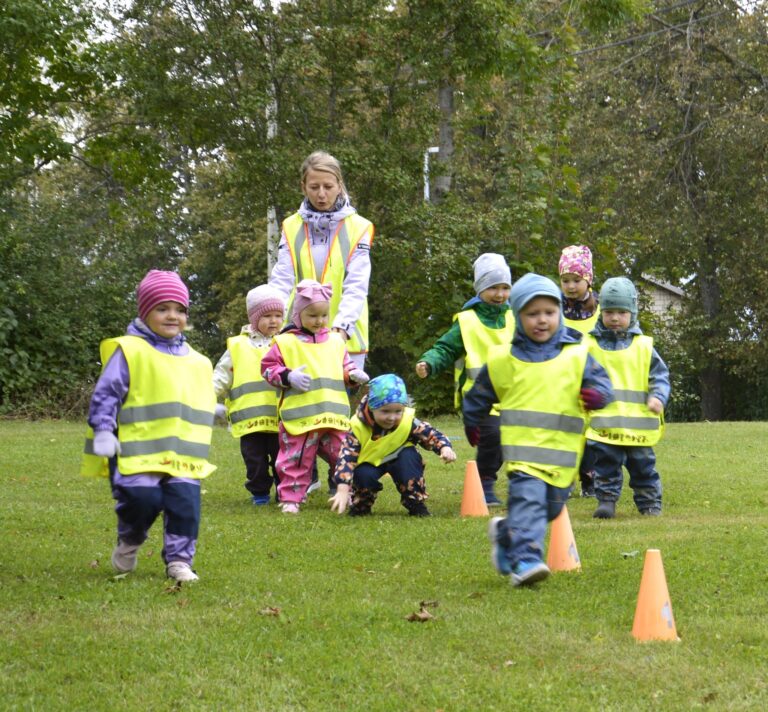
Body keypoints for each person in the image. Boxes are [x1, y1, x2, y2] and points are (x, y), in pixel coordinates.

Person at [463, 273, 614, 588]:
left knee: (550, 508)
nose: (542, 320)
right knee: (529, 503)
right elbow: (479, 394)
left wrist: (596, 395)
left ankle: (507, 534)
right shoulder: (504, 359)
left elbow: (603, 385)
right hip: (522, 455)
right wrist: (472, 421)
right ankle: (526, 561)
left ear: (559, 311)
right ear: (518, 317)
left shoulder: (577, 352)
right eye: (532, 314)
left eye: (549, 312)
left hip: (562, 459)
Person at [81, 270, 216, 583]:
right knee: (143, 500)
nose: (173, 316)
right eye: (162, 308)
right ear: (145, 311)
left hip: (181, 451)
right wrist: (102, 429)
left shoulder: (196, 359)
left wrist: (210, 407)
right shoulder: (129, 350)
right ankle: (130, 538)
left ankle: (179, 561)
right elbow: (107, 392)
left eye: (180, 310)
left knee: (185, 505)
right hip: (135, 449)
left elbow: (189, 395)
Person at [269, 150, 374, 496]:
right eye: (314, 186)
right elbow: (282, 277)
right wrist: (269, 314)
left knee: (339, 409)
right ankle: (303, 472)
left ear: (339, 184)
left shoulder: (359, 227)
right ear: (304, 185)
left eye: (328, 186)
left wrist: (341, 328)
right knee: (300, 401)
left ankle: (343, 477)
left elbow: (358, 284)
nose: (321, 193)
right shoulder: (290, 225)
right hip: (298, 334)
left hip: (345, 332)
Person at [261, 279, 369, 514]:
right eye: (312, 315)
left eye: (323, 315)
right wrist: (288, 377)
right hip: (300, 418)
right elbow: (268, 370)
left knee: (344, 455)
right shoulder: (284, 342)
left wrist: (352, 374)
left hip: (333, 417)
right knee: (295, 459)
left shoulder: (336, 342)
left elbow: (344, 366)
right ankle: (291, 498)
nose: (319, 321)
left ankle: (347, 493)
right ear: (298, 315)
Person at [415, 253, 514, 507]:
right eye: (493, 287)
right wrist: (430, 362)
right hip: (478, 397)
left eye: (505, 287)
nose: (500, 294)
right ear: (480, 288)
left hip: (513, 397)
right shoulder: (467, 321)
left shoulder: (516, 318)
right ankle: (485, 482)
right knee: (493, 434)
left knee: (511, 440)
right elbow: (445, 349)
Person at [584, 277, 669, 519]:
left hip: (638, 428)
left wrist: (658, 396)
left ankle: (650, 503)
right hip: (604, 426)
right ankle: (606, 501)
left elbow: (659, 376)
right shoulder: (588, 345)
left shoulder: (643, 346)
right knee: (605, 466)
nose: (614, 318)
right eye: (609, 312)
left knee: (643, 468)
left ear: (632, 313)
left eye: (622, 312)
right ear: (601, 312)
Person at [329, 374, 457, 518]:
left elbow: (431, 434)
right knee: (363, 475)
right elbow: (346, 458)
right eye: (385, 411)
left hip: (400, 457)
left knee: (409, 461)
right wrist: (342, 488)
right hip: (369, 462)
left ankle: (415, 503)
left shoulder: (408, 421)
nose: (392, 417)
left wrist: (445, 447)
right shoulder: (357, 427)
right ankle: (361, 505)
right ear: (372, 408)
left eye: (398, 411)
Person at [213, 285, 285, 505]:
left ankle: (286, 493)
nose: (273, 321)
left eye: (278, 315)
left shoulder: (287, 343)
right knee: (255, 461)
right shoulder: (238, 346)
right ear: (254, 318)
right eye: (267, 316)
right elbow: (221, 375)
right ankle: (260, 493)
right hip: (250, 421)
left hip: (281, 418)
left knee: (283, 461)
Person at [558, 244, 601, 497]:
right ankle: (562, 479)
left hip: (591, 381)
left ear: (588, 279)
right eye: (565, 280)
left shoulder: (599, 309)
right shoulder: (554, 307)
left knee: (590, 438)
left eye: (577, 280)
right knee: (565, 434)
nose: (571, 286)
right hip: (563, 381)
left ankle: (590, 481)